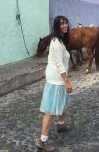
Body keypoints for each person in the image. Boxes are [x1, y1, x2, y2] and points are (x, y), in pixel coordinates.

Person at [35, 16, 73, 152]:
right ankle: (42, 141)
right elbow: (58, 64)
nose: (65, 25)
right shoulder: (56, 42)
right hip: (57, 78)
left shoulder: (60, 40)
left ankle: (61, 124)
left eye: (66, 23)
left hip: (59, 77)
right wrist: (67, 81)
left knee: (62, 101)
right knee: (50, 110)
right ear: (57, 26)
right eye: (61, 24)